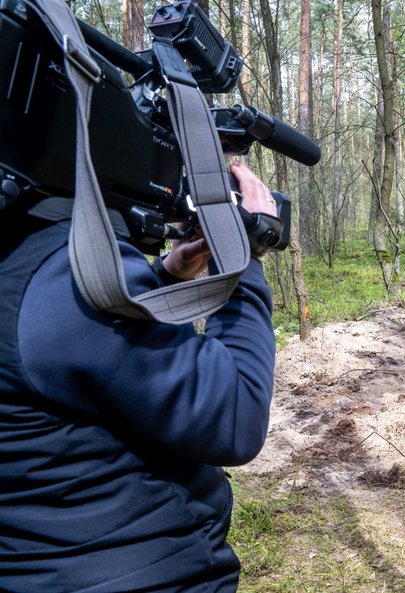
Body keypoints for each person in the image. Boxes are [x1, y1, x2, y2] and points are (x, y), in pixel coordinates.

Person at [0, 160, 278, 592]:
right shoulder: (59, 266)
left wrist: (163, 278)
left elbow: (92, 356)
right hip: (142, 572)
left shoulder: (20, 256)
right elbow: (236, 418)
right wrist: (245, 257)